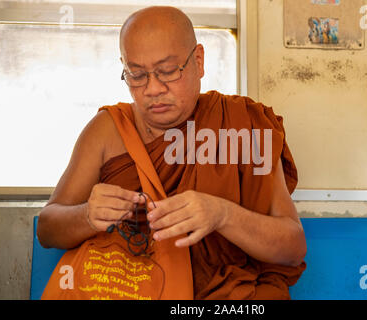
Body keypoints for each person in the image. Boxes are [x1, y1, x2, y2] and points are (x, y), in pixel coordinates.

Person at [37, 6, 306, 300]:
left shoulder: (242, 126)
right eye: (136, 75)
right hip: (127, 288)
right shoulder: (108, 130)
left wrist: (222, 215)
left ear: (198, 61)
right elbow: (48, 229)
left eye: (167, 71)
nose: (152, 89)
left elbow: (292, 248)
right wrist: (87, 215)